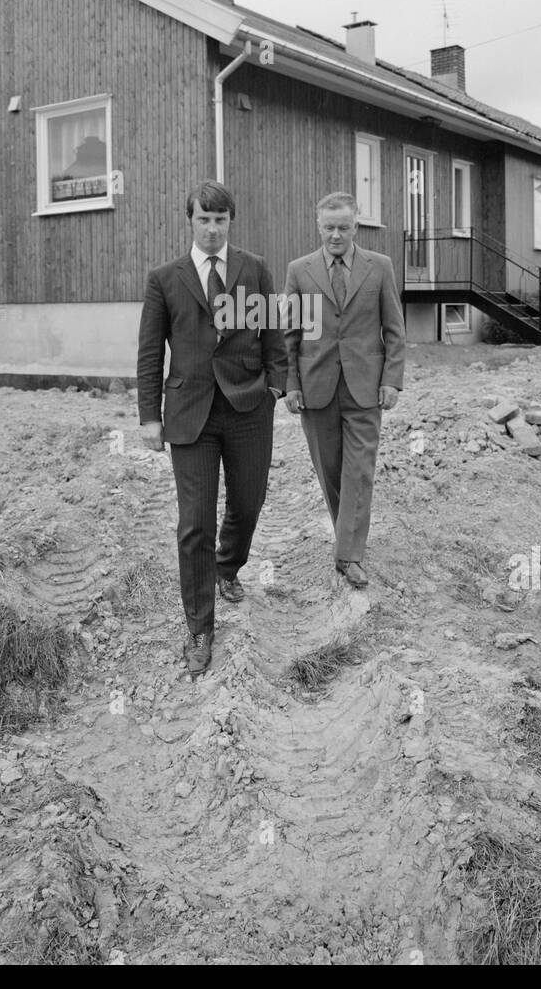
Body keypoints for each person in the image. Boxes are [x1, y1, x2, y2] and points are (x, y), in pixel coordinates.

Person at [137, 181, 287, 675]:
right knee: (195, 522)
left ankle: (228, 567)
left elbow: (272, 333)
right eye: (204, 219)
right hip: (190, 412)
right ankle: (200, 627)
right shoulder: (165, 279)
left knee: (248, 501)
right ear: (190, 221)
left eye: (221, 219)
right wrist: (149, 417)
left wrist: (276, 385)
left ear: (230, 221)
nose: (212, 228)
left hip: (247, 406)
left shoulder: (254, 268)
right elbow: (149, 353)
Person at [284, 191, 405, 588]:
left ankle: (348, 555)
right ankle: (347, 535)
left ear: (357, 226)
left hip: (365, 388)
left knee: (359, 471)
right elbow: (290, 333)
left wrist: (391, 379)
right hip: (316, 386)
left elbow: (394, 329)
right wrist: (291, 385)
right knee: (330, 471)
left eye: (344, 227)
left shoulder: (380, 267)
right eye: (329, 227)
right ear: (318, 226)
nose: (336, 235)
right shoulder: (299, 270)